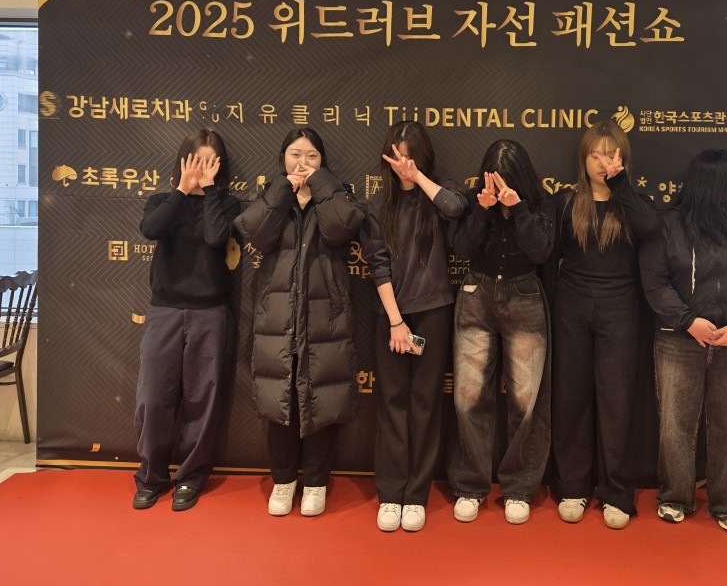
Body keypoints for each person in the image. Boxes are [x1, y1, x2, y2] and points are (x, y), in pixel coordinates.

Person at [640, 148, 727, 534]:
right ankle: (675, 497)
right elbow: (655, 281)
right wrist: (687, 321)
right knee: (676, 424)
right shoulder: (668, 226)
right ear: (714, 186)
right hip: (679, 340)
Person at [235, 127, 363, 518]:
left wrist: (320, 186)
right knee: (281, 402)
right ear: (283, 159)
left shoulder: (336, 195)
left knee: (321, 401)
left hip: (325, 321)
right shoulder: (273, 196)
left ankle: (316, 482)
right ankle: (283, 481)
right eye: (295, 154)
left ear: (322, 162)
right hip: (278, 319)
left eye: (311, 156)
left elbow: (342, 228)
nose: (302, 163)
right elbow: (255, 233)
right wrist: (281, 191)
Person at [545, 121, 660, 529]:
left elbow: (652, 228)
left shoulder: (635, 203)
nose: (601, 162)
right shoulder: (565, 202)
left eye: (610, 155)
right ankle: (573, 486)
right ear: (583, 158)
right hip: (572, 307)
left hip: (621, 309)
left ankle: (616, 492)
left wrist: (621, 185)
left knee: (617, 402)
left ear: (623, 158)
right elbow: (548, 259)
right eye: (594, 155)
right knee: (571, 399)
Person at [360, 121, 467, 533]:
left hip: (434, 312)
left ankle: (417, 495)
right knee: (392, 403)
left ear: (422, 158)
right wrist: (396, 321)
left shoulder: (437, 192)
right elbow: (377, 265)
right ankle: (391, 493)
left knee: (425, 403)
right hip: (390, 316)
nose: (402, 164)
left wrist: (418, 178)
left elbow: (456, 209)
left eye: (410, 156)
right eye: (396, 156)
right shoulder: (376, 205)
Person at [133, 128, 240, 512]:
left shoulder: (227, 205)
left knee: (201, 398)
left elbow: (216, 239)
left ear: (220, 166)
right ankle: (151, 477)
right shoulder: (162, 201)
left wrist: (208, 190)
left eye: (210, 162)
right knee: (153, 397)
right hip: (164, 310)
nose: (202, 168)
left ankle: (191, 478)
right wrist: (182, 188)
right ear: (182, 161)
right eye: (196, 160)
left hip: (211, 312)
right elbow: (151, 230)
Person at [448, 139, 554, 525]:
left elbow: (541, 252)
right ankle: (470, 486)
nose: (498, 187)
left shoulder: (540, 204)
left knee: (525, 399)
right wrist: (482, 209)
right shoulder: (472, 201)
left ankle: (519, 488)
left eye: (507, 180)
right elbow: (462, 249)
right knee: (468, 395)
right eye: (492, 180)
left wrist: (518, 208)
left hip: (524, 296)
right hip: (476, 294)